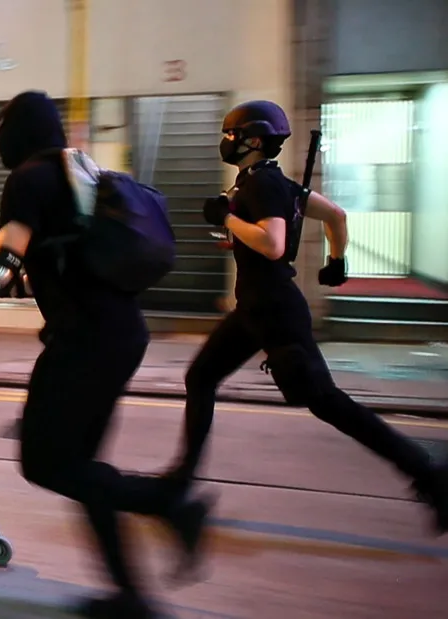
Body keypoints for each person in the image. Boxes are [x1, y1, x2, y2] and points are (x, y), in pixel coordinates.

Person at [0, 90, 213, 619]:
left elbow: (1, 268)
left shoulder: (27, 178)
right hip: (118, 333)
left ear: (16, 131)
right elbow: (59, 265)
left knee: (46, 465)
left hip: (86, 341)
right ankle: (130, 596)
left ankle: (168, 503)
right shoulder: (78, 170)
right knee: (82, 467)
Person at [164, 100, 448, 535]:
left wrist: (226, 218)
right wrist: (336, 260)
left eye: (231, 135)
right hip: (254, 310)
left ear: (253, 140)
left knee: (330, 404)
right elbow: (336, 214)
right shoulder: (269, 183)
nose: (226, 142)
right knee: (201, 378)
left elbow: (273, 244)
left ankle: (432, 478)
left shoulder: (261, 186)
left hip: (275, 313)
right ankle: (181, 480)